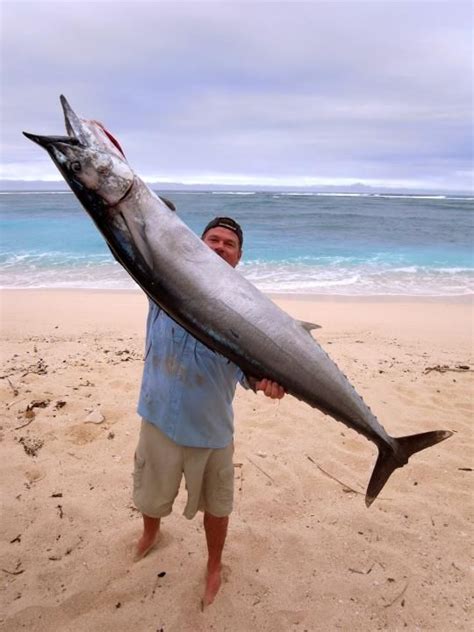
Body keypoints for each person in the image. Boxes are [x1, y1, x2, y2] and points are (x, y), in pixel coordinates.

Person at [133, 216, 285, 607]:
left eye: (228, 244)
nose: (219, 247)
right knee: (150, 493)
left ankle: (213, 564)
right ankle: (151, 533)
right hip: (157, 419)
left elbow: (250, 373)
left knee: (217, 508)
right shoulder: (162, 288)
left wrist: (268, 384)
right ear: (196, 246)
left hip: (211, 432)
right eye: (211, 239)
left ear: (238, 258)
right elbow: (141, 238)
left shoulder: (246, 312)